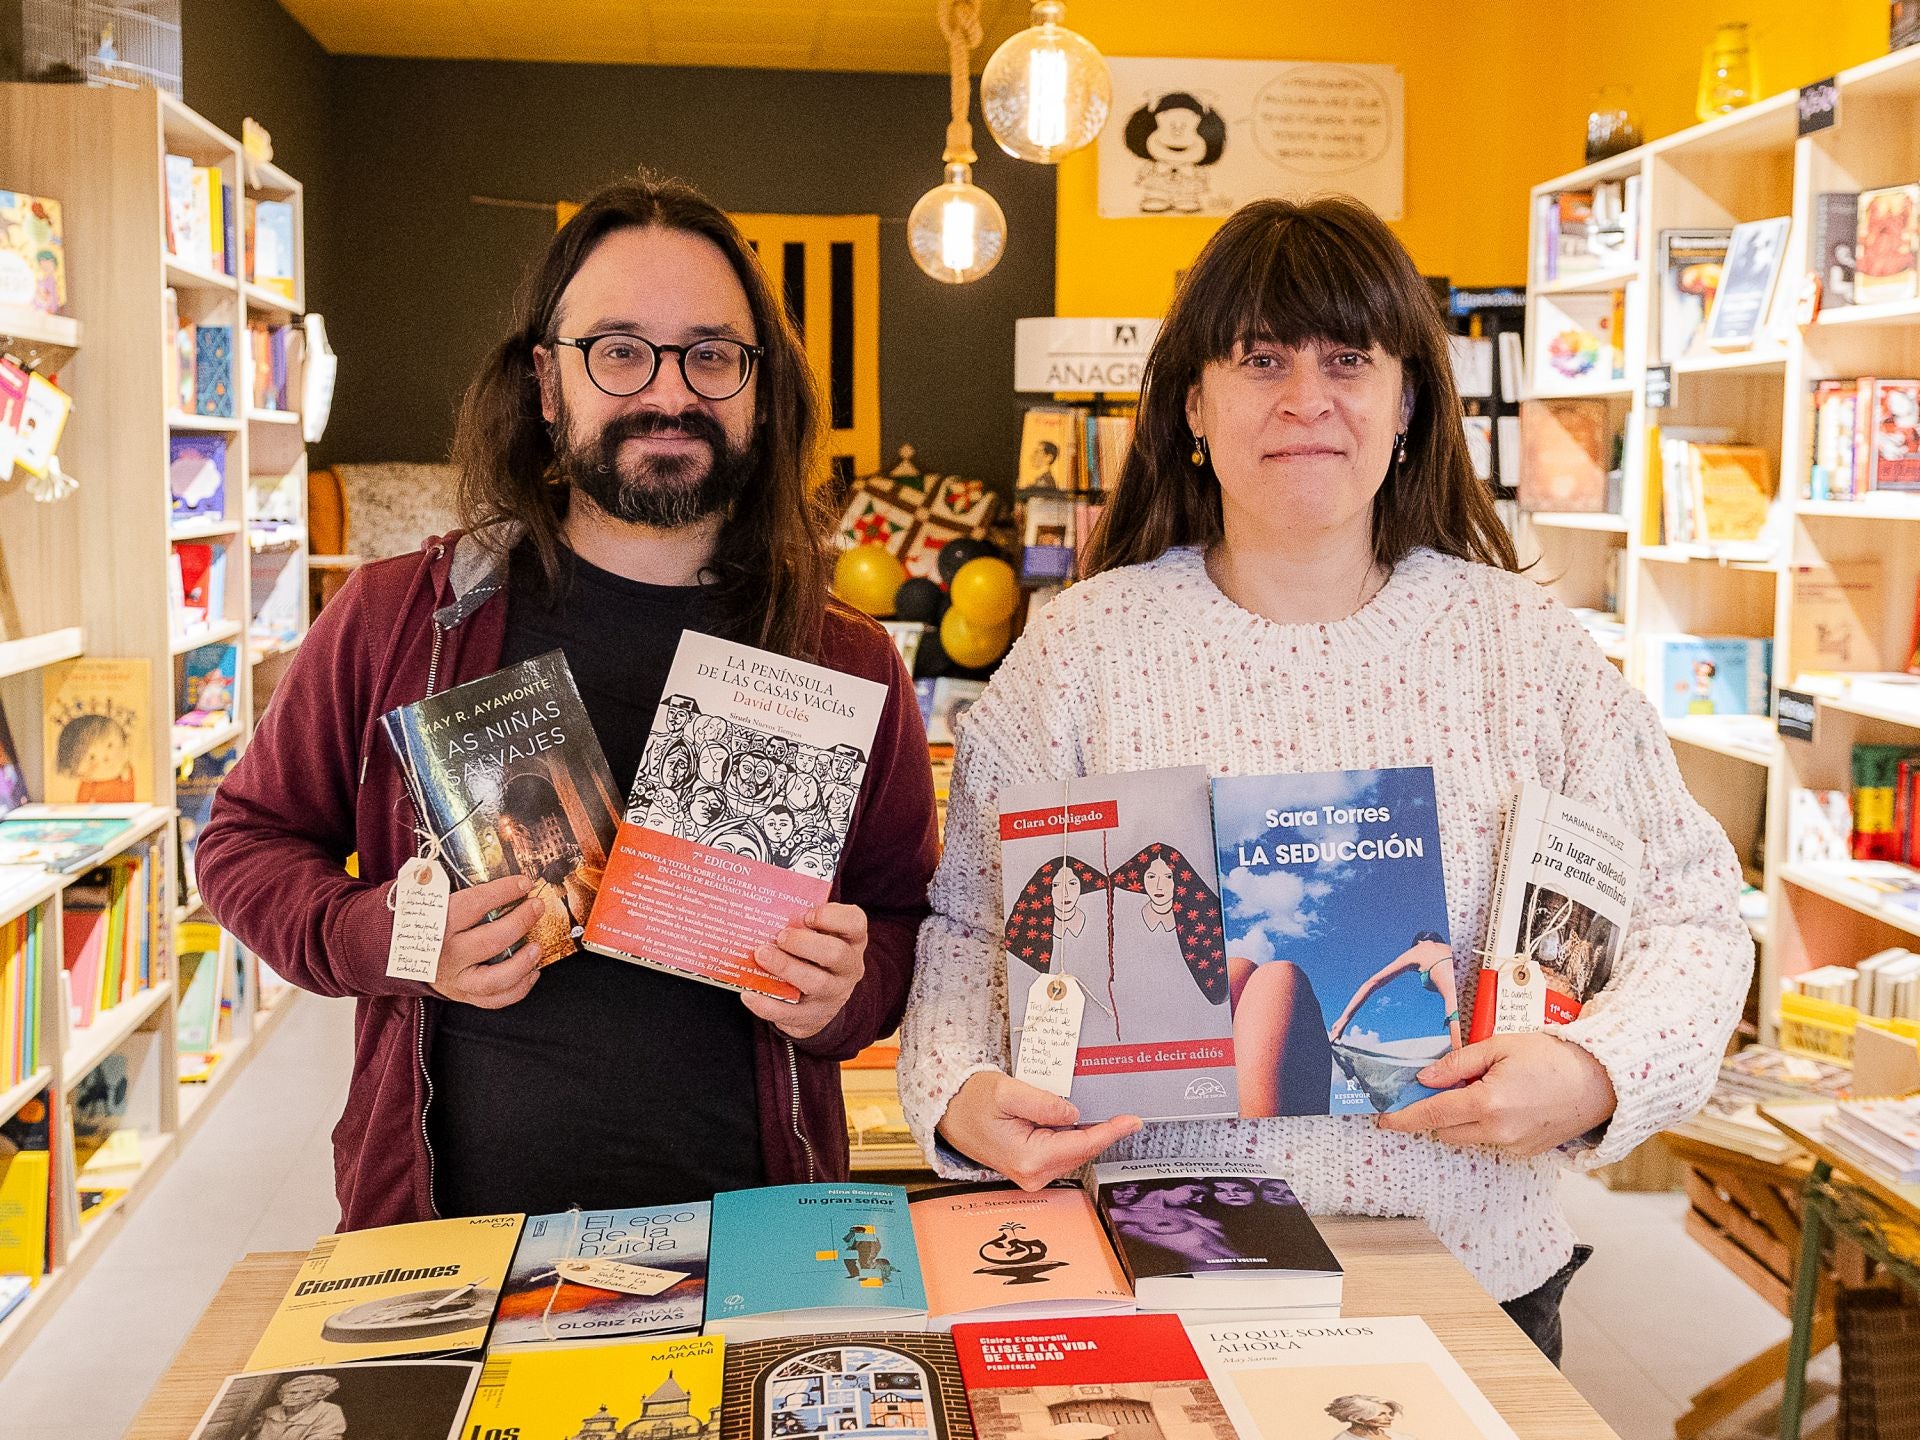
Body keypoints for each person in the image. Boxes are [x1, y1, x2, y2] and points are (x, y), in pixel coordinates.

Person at [898, 196, 1751, 1364]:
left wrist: (1597, 1073)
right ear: (1194, 405)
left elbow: (1699, 914)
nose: (1307, 396)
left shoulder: (1523, 647)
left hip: (1469, 1282)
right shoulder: (1081, 651)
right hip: (1160, 1280)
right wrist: (957, 1092)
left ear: (1407, 402)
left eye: (1348, 358)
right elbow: (964, 928)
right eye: (1261, 359)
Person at [197, 174, 938, 1228]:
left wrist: (845, 999)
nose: (669, 393)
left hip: (760, 1237)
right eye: (620, 349)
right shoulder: (403, 618)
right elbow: (242, 844)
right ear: (548, 383)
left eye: (713, 354)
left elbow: (903, 921)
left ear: (761, 391)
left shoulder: (847, 663)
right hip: (456, 1241)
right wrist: (397, 941)